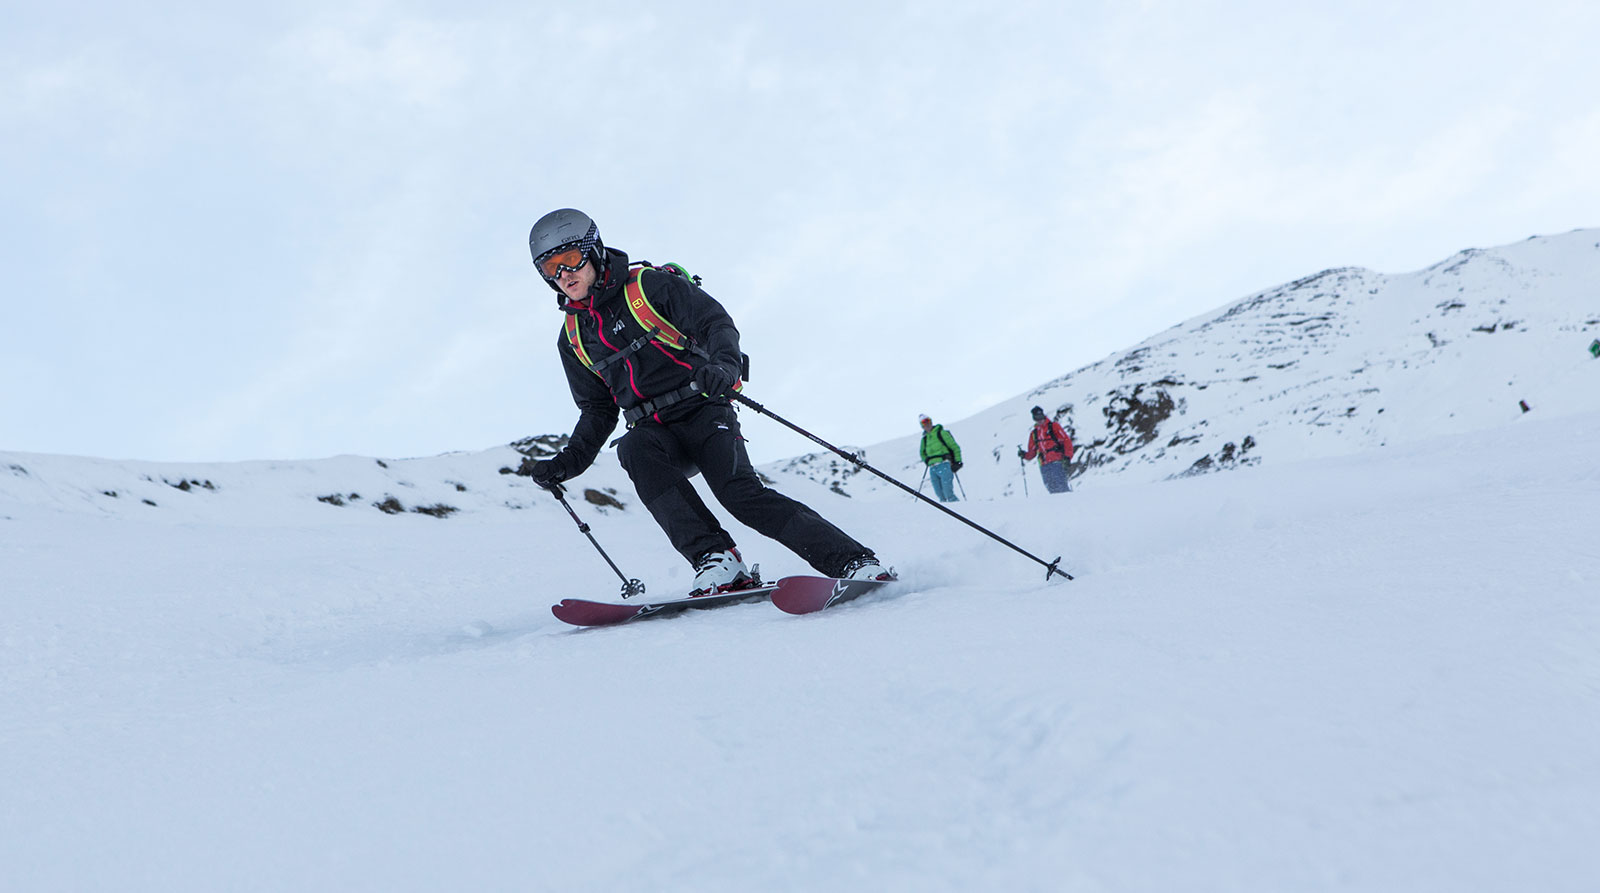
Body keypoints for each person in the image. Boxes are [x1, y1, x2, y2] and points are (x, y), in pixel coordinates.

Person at [519, 208, 891, 593]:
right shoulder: (574, 337)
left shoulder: (649, 287)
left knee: (740, 495)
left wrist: (724, 367)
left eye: (569, 260)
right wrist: (569, 463)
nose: (563, 275)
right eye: (550, 268)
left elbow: (715, 323)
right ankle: (717, 560)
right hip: (652, 429)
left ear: (593, 251)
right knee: (634, 449)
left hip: (703, 406)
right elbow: (597, 410)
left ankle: (853, 560)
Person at [1019, 405, 1074, 494]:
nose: (1039, 419)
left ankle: (1069, 504)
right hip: (1044, 465)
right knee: (1051, 488)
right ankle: (1058, 506)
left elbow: (1066, 442)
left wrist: (1067, 457)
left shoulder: (1054, 427)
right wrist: (1024, 455)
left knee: (1062, 487)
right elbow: (1032, 452)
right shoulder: (1034, 433)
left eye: (1040, 416)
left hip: (1057, 462)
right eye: (1037, 418)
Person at [917, 414, 962, 503]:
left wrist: (957, 461)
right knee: (940, 495)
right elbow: (922, 452)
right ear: (922, 425)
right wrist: (927, 461)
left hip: (944, 464)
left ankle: (960, 510)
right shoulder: (925, 439)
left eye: (928, 421)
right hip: (933, 468)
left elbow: (954, 447)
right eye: (924, 422)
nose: (926, 424)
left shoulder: (941, 433)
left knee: (948, 493)